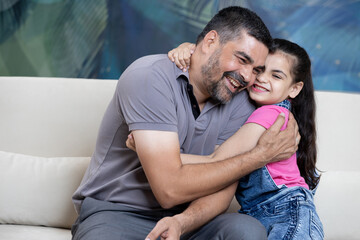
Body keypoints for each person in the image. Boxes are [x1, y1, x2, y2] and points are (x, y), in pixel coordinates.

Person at [71, 6, 300, 240]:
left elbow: (222, 188)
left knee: (246, 231)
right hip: (116, 213)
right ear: (210, 42)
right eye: (242, 59)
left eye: (256, 70)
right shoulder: (150, 77)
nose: (248, 77)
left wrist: (182, 222)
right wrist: (260, 156)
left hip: (188, 219)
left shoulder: (241, 101)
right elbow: (168, 190)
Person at [133, 38, 324, 239]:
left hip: (287, 213)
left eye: (276, 75)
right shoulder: (254, 110)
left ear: (294, 88)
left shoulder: (269, 115)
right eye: (259, 70)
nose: (262, 79)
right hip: (266, 213)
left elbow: (217, 160)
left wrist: (150, 150)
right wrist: (189, 50)